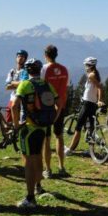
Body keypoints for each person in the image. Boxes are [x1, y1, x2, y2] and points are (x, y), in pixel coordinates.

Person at [12, 58, 59, 209]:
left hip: (29, 128)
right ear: (40, 70)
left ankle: (30, 198)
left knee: (28, 162)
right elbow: (58, 104)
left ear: (27, 70)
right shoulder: (47, 84)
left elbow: (14, 105)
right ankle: (38, 186)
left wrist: (16, 124)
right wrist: (52, 119)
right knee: (38, 156)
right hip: (43, 127)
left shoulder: (25, 84)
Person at [41, 44, 69, 178]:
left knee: (47, 138)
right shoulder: (64, 69)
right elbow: (65, 88)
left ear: (45, 55)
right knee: (59, 136)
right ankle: (62, 167)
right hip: (61, 106)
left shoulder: (44, 69)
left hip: (47, 107)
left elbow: (39, 87)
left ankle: (48, 169)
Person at [65, 57, 104, 156]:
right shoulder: (95, 74)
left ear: (90, 65)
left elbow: (100, 87)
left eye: (86, 65)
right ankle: (91, 150)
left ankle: (70, 150)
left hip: (87, 104)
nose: (85, 67)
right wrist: (98, 101)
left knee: (78, 127)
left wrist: (100, 100)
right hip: (92, 104)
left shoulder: (91, 75)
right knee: (90, 128)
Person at [5, 50, 29, 124]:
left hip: (23, 99)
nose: (20, 58)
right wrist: (18, 84)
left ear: (25, 59)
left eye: (22, 57)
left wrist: (12, 83)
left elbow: (23, 83)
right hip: (12, 98)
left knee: (21, 122)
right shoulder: (12, 71)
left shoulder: (26, 71)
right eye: (18, 56)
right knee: (8, 121)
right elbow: (7, 86)